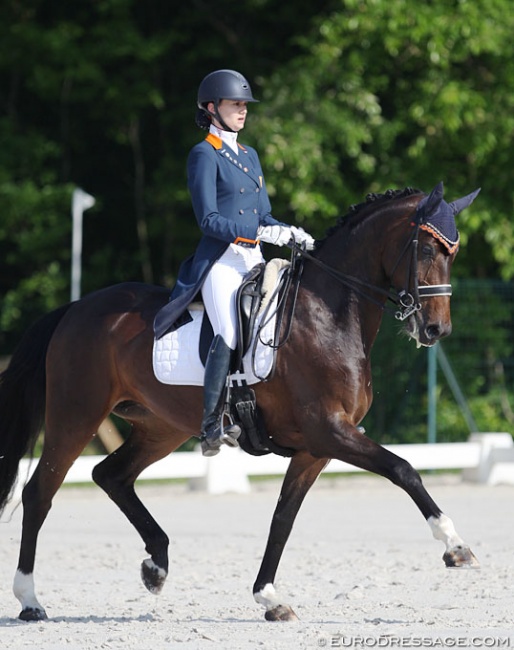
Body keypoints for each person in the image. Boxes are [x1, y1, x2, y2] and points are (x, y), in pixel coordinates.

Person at [153, 69, 315, 457]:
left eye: (244, 105)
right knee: (228, 328)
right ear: (212, 109)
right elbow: (208, 220)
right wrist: (257, 234)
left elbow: (264, 214)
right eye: (235, 104)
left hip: (254, 260)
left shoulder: (249, 155)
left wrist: (289, 231)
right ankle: (210, 425)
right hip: (221, 262)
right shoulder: (203, 154)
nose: (243, 111)